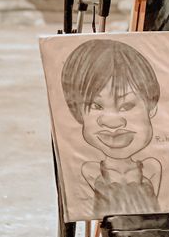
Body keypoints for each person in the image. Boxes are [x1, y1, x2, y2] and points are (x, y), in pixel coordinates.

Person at [61, 38, 162, 218]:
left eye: (126, 105)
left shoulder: (152, 168)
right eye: (96, 106)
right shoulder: (89, 171)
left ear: (152, 107)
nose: (112, 122)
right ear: (77, 112)